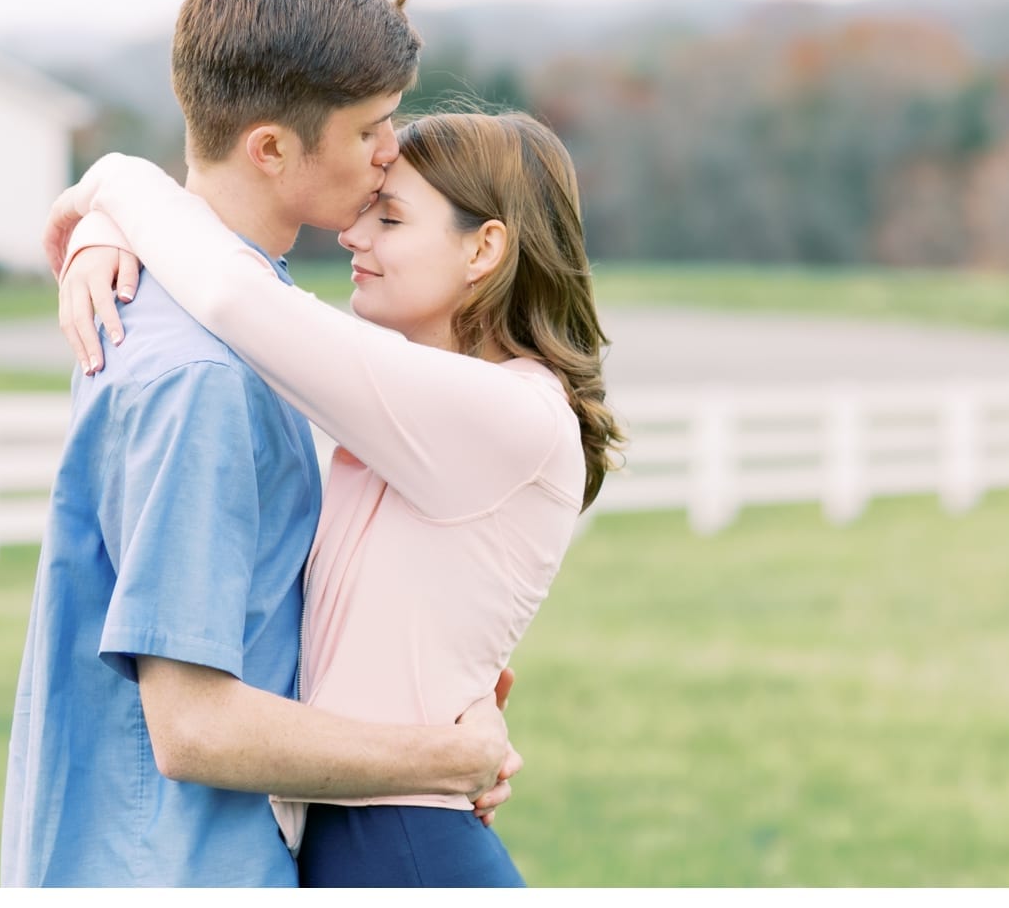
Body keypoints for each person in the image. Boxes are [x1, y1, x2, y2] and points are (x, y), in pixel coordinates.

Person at [0, 0, 519, 889]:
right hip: (175, 868)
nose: (389, 151)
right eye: (370, 129)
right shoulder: (199, 373)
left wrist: (116, 195)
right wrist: (444, 761)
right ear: (272, 149)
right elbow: (193, 726)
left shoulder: (189, 301)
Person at [46, 108, 624, 886]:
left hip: (401, 846)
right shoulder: (433, 414)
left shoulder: (509, 416)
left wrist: (117, 180)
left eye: (389, 218)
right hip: (369, 833)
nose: (355, 237)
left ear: (485, 247)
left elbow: (235, 299)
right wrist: (107, 230)